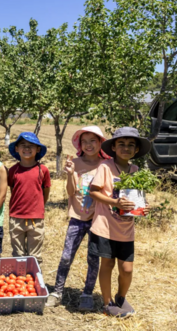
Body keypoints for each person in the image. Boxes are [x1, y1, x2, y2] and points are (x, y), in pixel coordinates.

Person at [88, 127, 151, 317]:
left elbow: (139, 197)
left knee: (127, 268)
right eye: (121, 144)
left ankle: (121, 297)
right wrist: (115, 202)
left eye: (131, 145)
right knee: (107, 264)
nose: (126, 148)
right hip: (105, 226)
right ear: (113, 147)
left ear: (136, 150)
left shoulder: (135, 170)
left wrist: (144, 206)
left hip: (126, 229)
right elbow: (93, 191)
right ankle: (107, 303)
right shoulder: (105, 167)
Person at [46, 126, 108, 310]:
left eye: (93, 141)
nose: (88, 145)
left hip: (98, 219)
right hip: (77, 217)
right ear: (79, 144)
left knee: (93, 258)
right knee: (66, 256)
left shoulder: (106, 165)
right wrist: (71, 174)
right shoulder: (76, 163)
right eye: (84, 141)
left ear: (100, 143)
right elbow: (71, 192)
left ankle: (87, 293)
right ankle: (57, 292)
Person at [7, 132, 51, 264]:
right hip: (16, 217)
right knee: (18, 253)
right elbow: (13, 189)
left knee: (34, 255)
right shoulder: (13, 170)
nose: (27, 148)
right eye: (23, 145)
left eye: (31, 145)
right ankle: (20, 280)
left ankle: (34, 279)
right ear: (16, 149)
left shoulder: (42, 170)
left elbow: (46, 190)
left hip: (36, 218)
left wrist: (39, 207)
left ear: (38, 149)